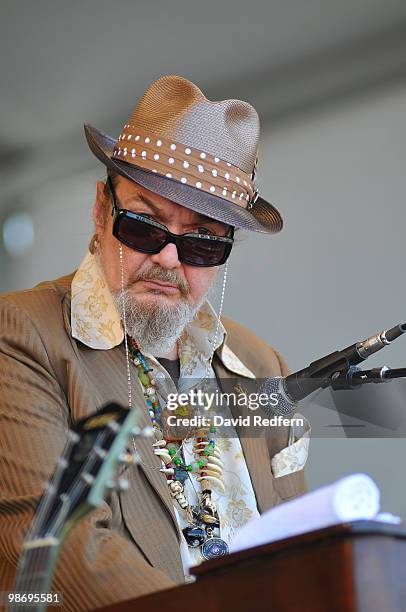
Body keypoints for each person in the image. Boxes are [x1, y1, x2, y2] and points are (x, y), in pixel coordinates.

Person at [0, 75, 309, 611]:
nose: (169, 258)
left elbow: (304, 550)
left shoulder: (261, 363)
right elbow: (58, 553)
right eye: (144, 225)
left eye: (203, 242)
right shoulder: (22, 335)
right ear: (101, 210)